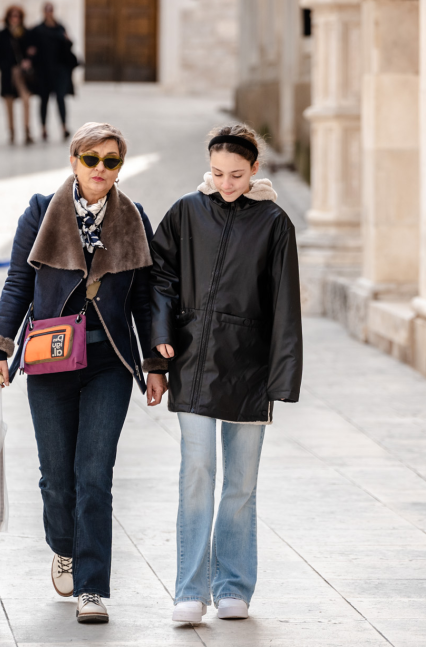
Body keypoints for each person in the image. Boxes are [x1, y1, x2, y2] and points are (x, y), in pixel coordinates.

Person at [0, 122, 167, 624]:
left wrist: (153, 361)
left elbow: (147, 299)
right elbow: (18, 283)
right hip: (48, 361)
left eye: (112, 161)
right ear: (74, 161)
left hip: (108, 361)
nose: (101, 170)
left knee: (94, 475)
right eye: (92, 160)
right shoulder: (41, 212)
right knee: (56, 479)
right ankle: (63, 547)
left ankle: (91, 586)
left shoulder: (134, 218)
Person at [149, 124, 303, 624]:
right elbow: (160, 277)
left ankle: (233, 584)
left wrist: (282, 378)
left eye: (237, 174)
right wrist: (159, 339)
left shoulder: (275, 224)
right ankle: (190, 590)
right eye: (217, 173)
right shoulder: (186, 212)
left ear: (255, 169)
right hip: (193, 362)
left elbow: (285, 305)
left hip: (250, 369)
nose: (227, 182)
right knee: (196, 475)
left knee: (241, 482)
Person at [30, 2, 77, 142]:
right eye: (47, 10)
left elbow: (68, 45)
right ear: (43, 12)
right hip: (44, 71)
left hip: (60, 70)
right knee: (44, 99)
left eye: (51, 10)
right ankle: (43, 129)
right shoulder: (38, 30)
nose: (49, 13)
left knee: (60, 98)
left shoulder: (60, 28)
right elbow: (32, 48)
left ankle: (64, 128)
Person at [0, 5, 35, 145]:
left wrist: (27, 61)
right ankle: (11, 132)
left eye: (17, 16)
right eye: (12, 16)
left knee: (26, 100)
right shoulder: (2, 34)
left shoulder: (25, 33)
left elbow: (31, 51)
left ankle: (27, 131)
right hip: (7, 73)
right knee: (9, 102)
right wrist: (5, 66)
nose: (14, 19)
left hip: (21, 74)